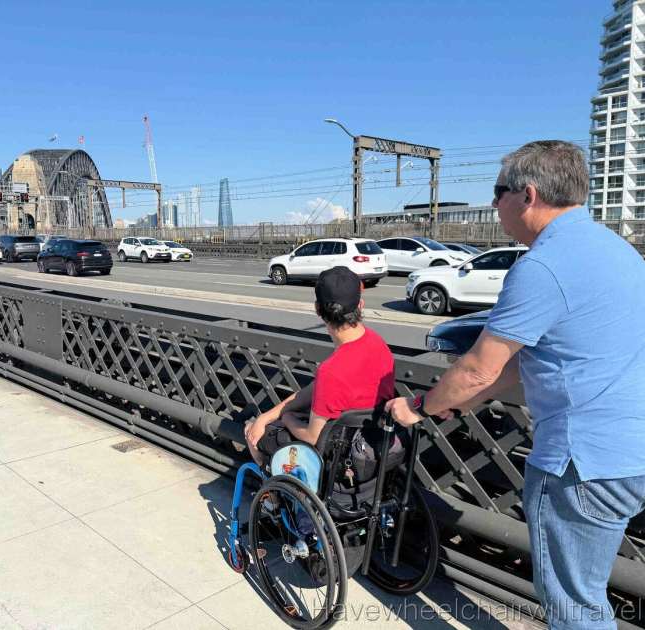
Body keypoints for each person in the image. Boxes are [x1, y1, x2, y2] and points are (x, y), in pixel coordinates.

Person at [386, 140, 645, 630]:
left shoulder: (542, 266)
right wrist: (459, 402)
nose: (493, 204)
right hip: (630, 452)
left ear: (526, 195)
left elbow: (478, 369)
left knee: (574, 606)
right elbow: (518, 364)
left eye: (496, 192)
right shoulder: (617, 250)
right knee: (589, 594)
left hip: (579, 463)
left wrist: (419, 406)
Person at [244, 266, 395, 467]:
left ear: (317, 309)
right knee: (265, 421)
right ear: (360, 305)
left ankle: (271, 487)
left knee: (250, 429)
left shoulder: (332, 370)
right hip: (370, 448)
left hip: (336, 458)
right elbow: (315, 391)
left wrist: (287, 419)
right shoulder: (380, 346)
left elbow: (312, 436)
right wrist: (268, 416)